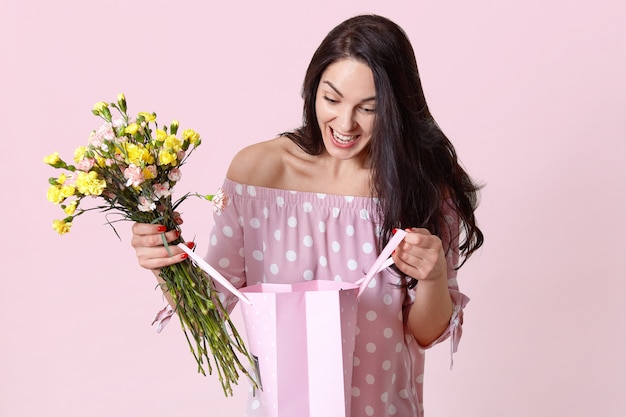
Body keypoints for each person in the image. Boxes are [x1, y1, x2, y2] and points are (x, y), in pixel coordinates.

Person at [131, 14, 483, 417]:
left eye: (368, 109)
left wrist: (434, 275)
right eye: (331, 100)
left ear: (396, 109)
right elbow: (210, 311)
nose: (345, 124)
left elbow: (425, 333)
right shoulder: (258, 174)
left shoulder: (420, 186)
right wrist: (164, 264)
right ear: (313, 88)